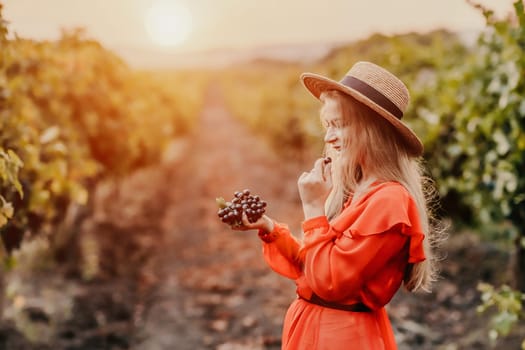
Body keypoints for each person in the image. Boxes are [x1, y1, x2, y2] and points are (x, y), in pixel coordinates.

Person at [231, 61, 443, 349]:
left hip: (341, 337)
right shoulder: (354, 191)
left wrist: (313, 208)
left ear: (373, 130)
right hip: (316, 330)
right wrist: (269, 228)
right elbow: (313, 265)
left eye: (339, 125)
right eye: (327, 125)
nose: (329, 137)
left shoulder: (390, 201)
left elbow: (328, 281)